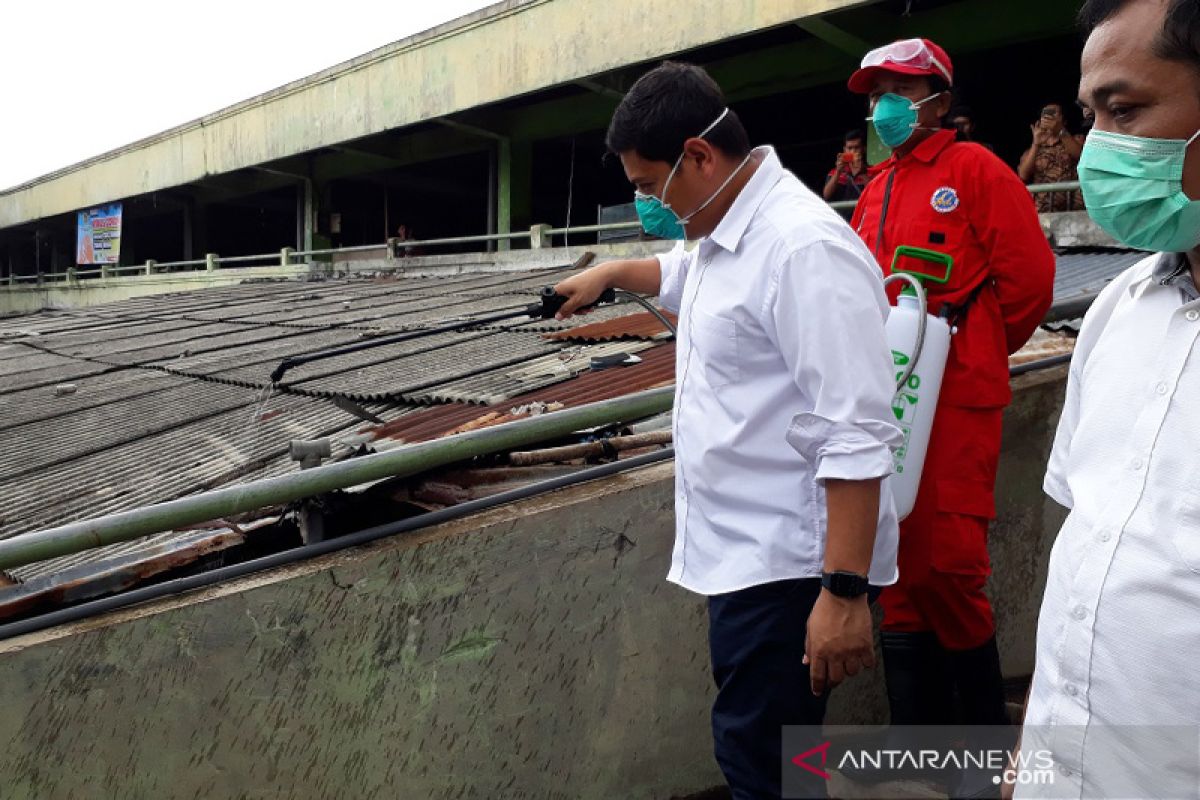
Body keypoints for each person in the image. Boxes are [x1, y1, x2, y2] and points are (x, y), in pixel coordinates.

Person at [553, 61, 903, 799]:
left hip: (789, 567)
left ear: (699, 155)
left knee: (764, 763)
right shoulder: (725, 228)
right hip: (742, 556)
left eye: (651, 186)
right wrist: (613, 269)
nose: (649, 204)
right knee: (764, 752)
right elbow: (686, 277)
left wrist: (841, 595)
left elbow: (857, 434)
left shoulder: (802, 250)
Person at [845, 36, 1055, 786]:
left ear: (937, 96)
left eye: (898, 91)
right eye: (876, 95)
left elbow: (1029, 280)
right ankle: (916, 744)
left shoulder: (975, 170)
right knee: (893, 559)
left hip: (957, 394)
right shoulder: (874, 189)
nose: (884, 108)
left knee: (950, 563)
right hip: (890, 395)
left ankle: (978, 755)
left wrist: (974, 351)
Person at [1007, 1, 1200, 797]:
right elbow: (1087, 559)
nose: (1095, 150)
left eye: (1125, 110)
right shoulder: (1114, 312)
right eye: (1091, 117)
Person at [1018, 103, 1086, 212]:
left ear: (1064, 120)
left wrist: (1060, 131)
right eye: (1046, 113)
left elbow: (1082, 157)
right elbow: (1023, 175)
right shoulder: (1032, 150)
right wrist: (1036, 144)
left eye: (1054, 113)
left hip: (1073, 210)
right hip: (1042, 211)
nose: (1049, 116)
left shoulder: (1075, 140)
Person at [822, 129, 872, 203]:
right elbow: (826, 195)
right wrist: (838, 172)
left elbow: (875, 194)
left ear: (864, 149)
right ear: (844, 149)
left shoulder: (872, 171)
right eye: (849, 148)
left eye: (856, 147)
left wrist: (862, 174)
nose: (853, 151)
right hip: (840, 214)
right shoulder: (834, 172)